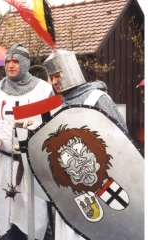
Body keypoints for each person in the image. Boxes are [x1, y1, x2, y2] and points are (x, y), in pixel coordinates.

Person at [43, 49, 128, 240]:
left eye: (58, 76)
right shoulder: (55, 104)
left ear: (70, 71)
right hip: (68, 189)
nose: (54, 82)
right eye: (51, 77)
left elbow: (122, 140)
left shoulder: (97, 99)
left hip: (100, 182)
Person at [0, 43, 54, 240]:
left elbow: (55, 121)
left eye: (15, 61)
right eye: (7, 61)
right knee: (6, 211)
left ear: (25, 63)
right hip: (4, 162)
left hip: (33, 162)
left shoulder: (44, 89)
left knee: (35, 213)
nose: (10, 65)